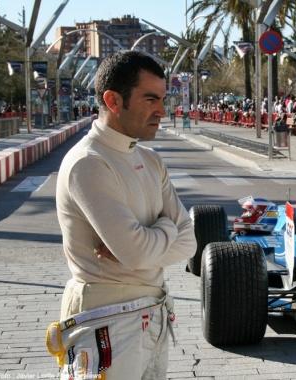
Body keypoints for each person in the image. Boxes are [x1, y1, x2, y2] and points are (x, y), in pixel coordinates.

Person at [51, 51, 197, 379]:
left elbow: (189, 241)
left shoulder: (150, 161)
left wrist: (152, 236)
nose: (161, 110)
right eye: (150, 99)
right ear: (113, 101)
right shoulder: (88, 163)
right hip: (105, 326)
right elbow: (136, 251)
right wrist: (162, 231)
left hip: (153, 317)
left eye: (163, 98)